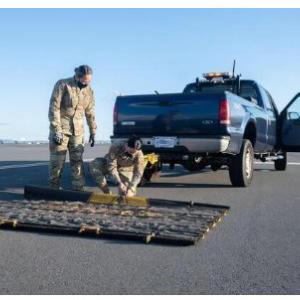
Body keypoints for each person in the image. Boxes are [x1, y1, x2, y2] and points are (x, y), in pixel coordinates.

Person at [48, 65, 97, 191]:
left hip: (78, 131)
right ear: (77, 76)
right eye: (85, 81)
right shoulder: (63, 84)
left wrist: (93, 131)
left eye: (89, 81)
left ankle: (79, 189)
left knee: (77, 161)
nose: (87, 83)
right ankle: (54, 188)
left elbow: (90, 113)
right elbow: (54, 108)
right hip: (61, 129)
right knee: (57, 161)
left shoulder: (89, 91)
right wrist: (56, 130)